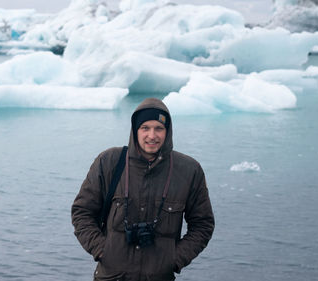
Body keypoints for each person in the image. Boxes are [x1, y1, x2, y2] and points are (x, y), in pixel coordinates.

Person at [71, 98, 214, 281]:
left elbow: (203, 225)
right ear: (135, 130)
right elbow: (82, 212)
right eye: (145, 128)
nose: (152, 135)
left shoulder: (189, 170)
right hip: (112, 276)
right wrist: (102, 250)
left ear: (167, 131)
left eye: (159, 128)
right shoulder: (109, 162)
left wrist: (175, 259)